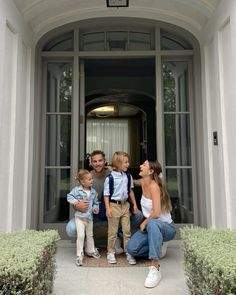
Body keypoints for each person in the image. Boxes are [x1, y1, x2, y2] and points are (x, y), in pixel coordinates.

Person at [66, 150, 143, 254]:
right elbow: (76, 197)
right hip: (93, 214)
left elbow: (125, 188)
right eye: (95, 161)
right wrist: (77, 206)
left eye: (100, 160)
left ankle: (117, 234)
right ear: (91, 163)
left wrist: (127, 206)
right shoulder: (87, 177)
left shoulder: (112, 174)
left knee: (138, 215)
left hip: (113, 211)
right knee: (71, 228)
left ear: (105, 161)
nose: (97, 163)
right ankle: (90, 239)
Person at [127, 160, 176, 288]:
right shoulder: (143, 182)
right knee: (132, 248)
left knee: (153, 223)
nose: (140, 166)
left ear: (151, 171)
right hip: (151, 227)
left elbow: (156, 212)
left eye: (144, 165)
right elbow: (131, 180)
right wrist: (116, 170)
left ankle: (155, 268)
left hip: (166, 228)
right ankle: (159, 246)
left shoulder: (154, 186)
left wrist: (144, 222)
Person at [104, 151, 138, 265]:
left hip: (125, 206)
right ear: (118, 164)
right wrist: (108, 208)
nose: (128, 164)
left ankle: (129, 252)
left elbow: (130, 191)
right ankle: (110, 252)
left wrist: (134, 204)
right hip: (114, 206)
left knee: (127, 231)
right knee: (112, 232)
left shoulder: (128, 176)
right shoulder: (110, 178)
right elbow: (106, 195)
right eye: (126, 162)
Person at [67, 169, 100, 266]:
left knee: (90, 235)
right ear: (82, 182)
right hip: (80, 218)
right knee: (81, 235)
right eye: (89, 179)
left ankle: (90, 250)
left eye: (92, 179)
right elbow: (69, 196)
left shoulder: (93, 192)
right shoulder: (77, 190)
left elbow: (95, 203)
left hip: (89, 218)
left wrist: (95, 208)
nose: (92, 181)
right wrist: (76, 202)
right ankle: (79, 254)